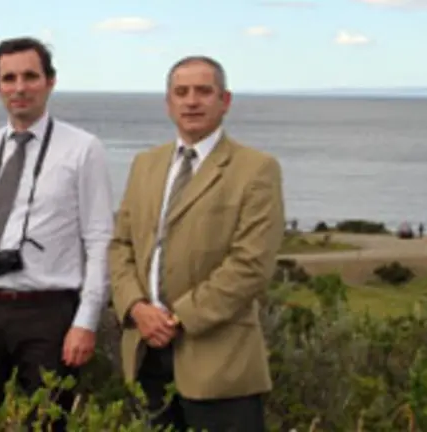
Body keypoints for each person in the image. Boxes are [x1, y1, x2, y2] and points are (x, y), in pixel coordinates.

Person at [108, 55, 286, 431]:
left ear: (225, 100)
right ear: (168, 103)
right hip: (145, 355)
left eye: (204, 91)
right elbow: (121, 245)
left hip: (220, 363)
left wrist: (178, 318)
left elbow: (250, 264)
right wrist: (137, 308)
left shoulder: (255, 169)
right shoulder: (145, 164)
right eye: (181, 92)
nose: (192, 101)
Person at [0, 37, 114, 428]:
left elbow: (99, 237)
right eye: (9, 78)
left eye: (30, 76)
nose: (19, 87)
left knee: (49, 420)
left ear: (49, 81)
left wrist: (86, 320)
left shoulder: (83, 149)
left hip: (50, 310)